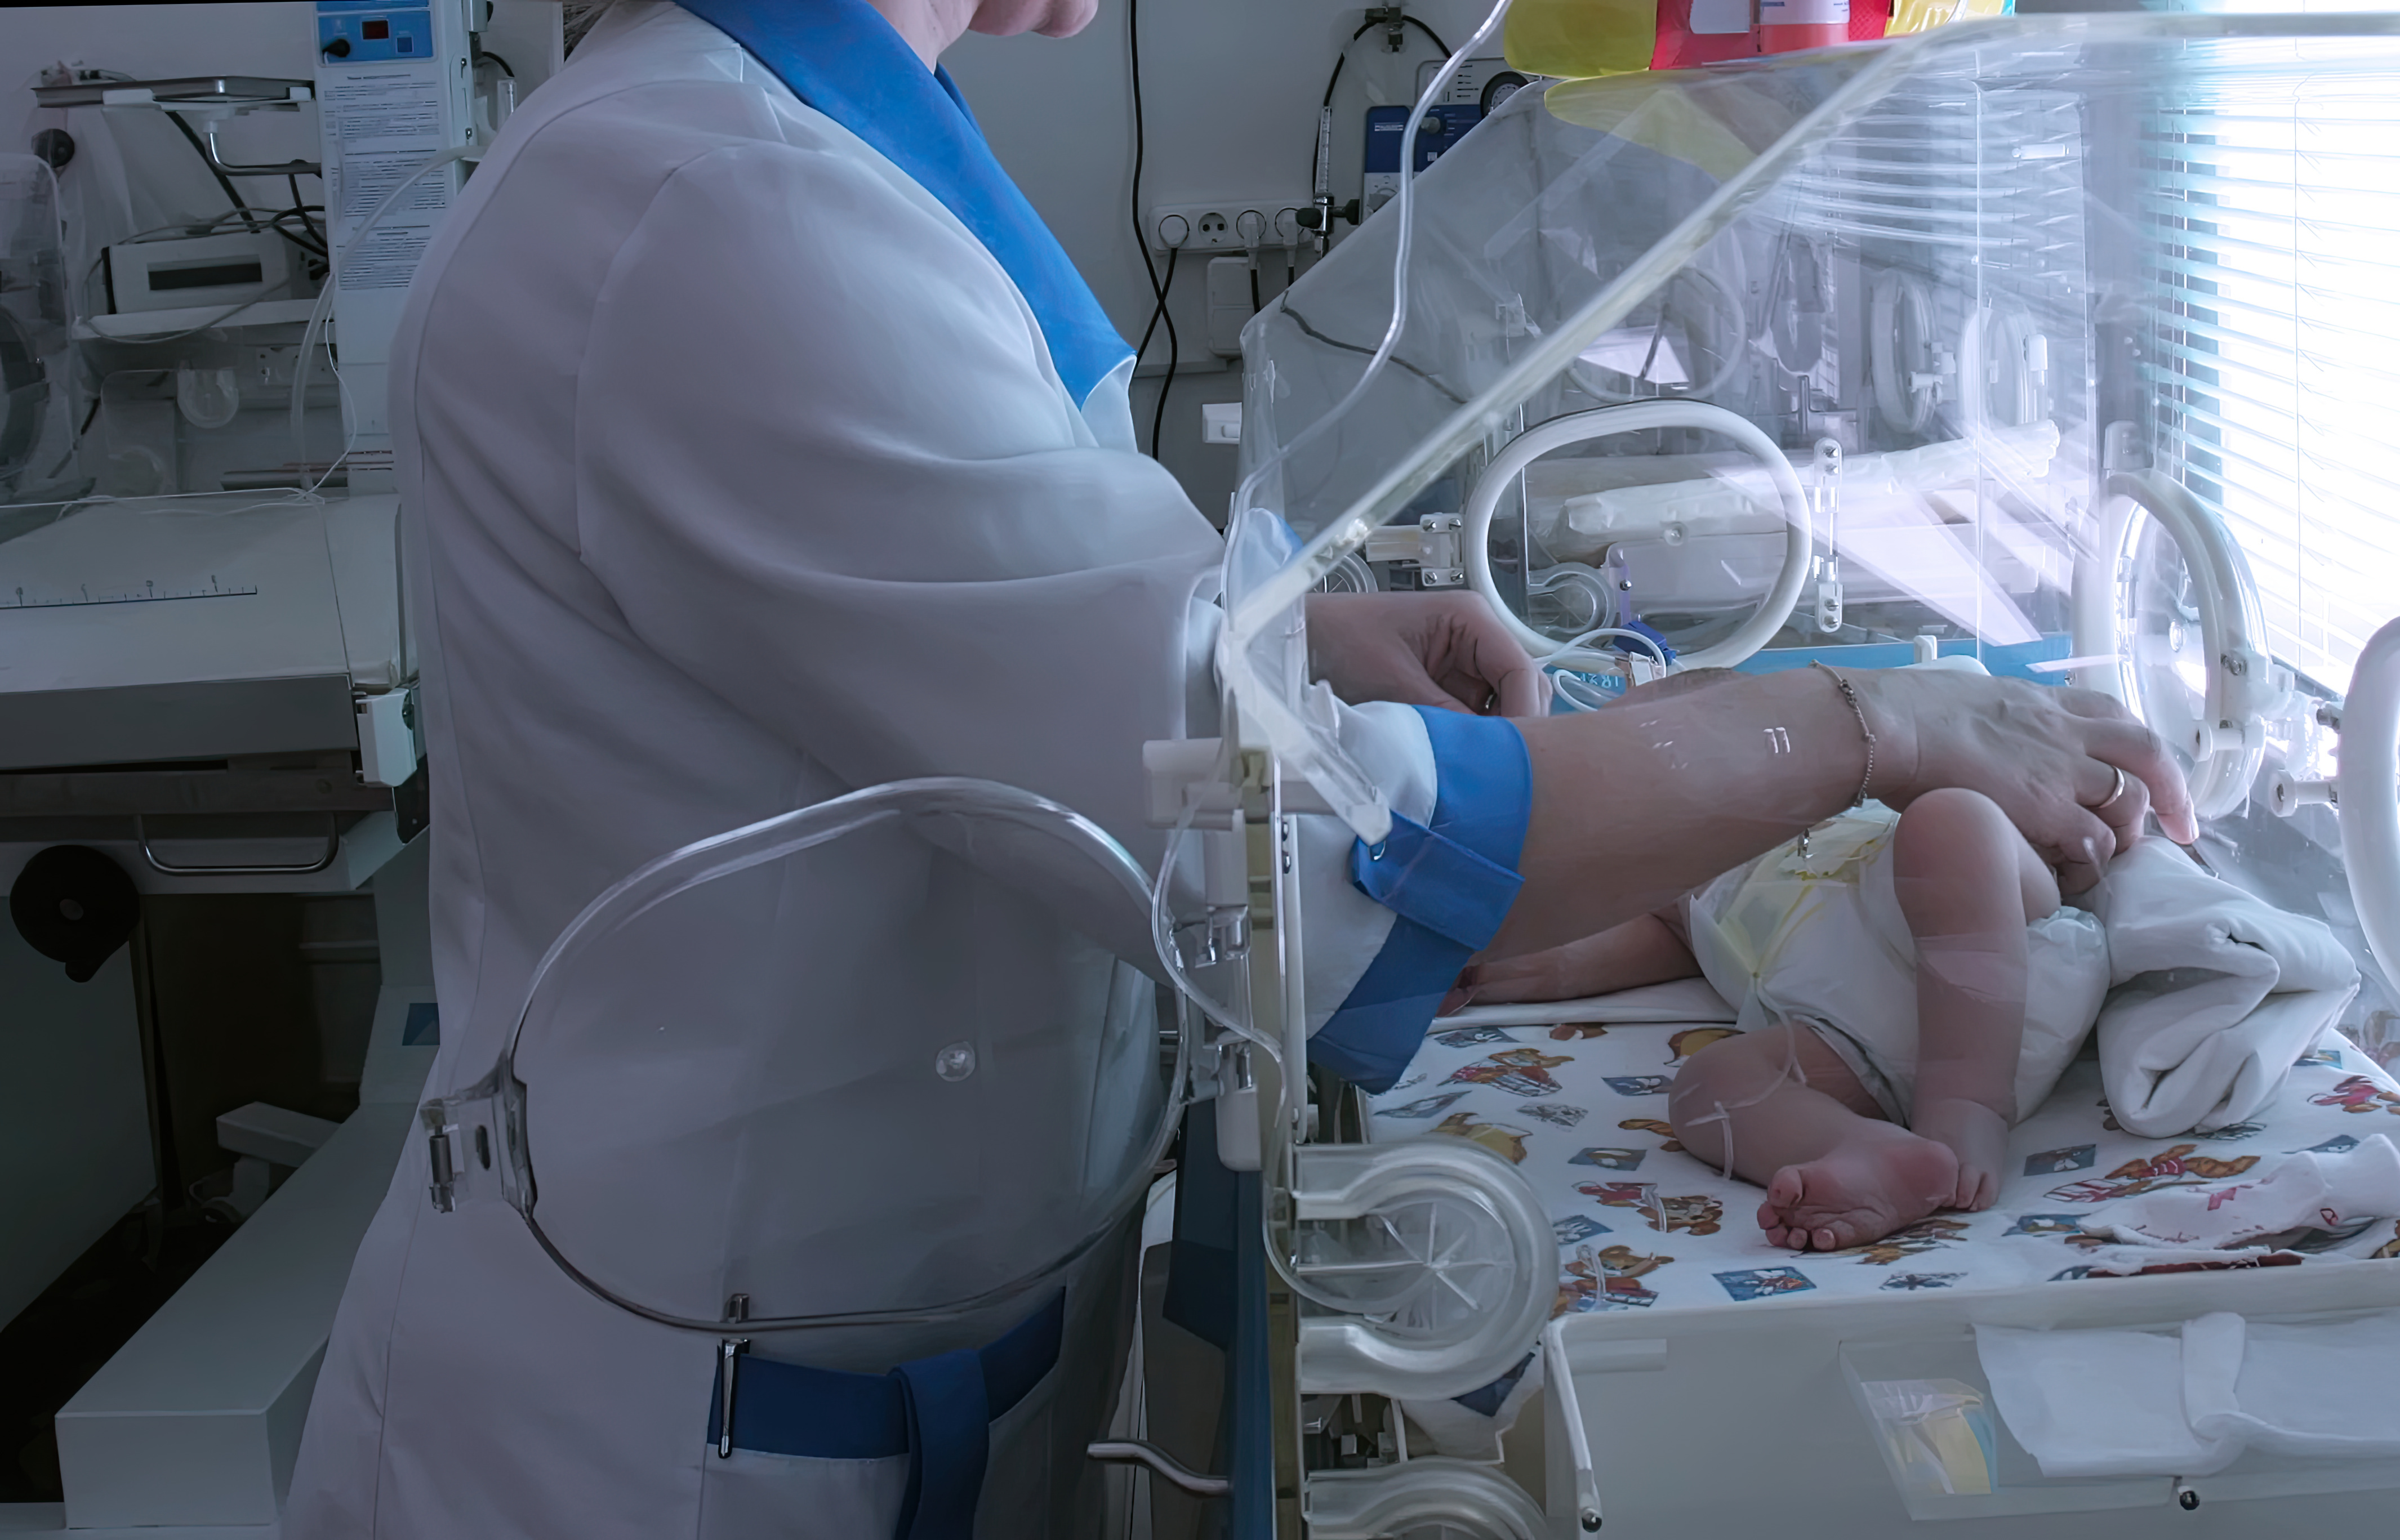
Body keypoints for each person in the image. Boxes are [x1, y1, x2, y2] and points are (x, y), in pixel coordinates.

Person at [284, 1, 2195, 1535]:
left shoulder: (798, 162)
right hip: (671, 1438)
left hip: (850, 1356)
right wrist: (1865, 722)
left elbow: (953, 639)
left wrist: (1267, 639)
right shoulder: (718, 207)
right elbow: (1317, 856)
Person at [1452, 668, 2117, 1252]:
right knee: (1705, 1088)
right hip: (1859, 1048)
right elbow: (1571, 958)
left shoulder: (1837, 804)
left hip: (1979, 949)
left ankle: (1970, 1100)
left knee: (1951, 821)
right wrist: (1473, 962)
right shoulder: (1668, 897)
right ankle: (1866, 1149)